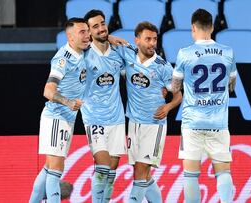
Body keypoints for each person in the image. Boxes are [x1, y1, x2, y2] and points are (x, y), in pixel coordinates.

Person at [171, 9, 237, 203]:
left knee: (191, 174)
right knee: (223, 171)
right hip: (218, 122)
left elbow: (175, 86)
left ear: (193, 27)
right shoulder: (228, 52)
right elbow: (232, 86)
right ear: (213, 27)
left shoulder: (185, 53)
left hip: (192, 123)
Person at [117, 22, 182, 202]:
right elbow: (107, 40)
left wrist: (168, 107)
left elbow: (178, 95)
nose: (152, 43)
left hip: (154, 125)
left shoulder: (164, 66)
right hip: (133, 123)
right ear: (137, 40)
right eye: (147, 39)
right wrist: (117, 40)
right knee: (143, 175)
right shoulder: (128, 53)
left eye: (154, 39)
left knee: (140, 171)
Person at [29, 17, 90, 203]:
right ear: (70, 37)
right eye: (83, 32)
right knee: (55, 170)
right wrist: (68, 102)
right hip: (56, 118)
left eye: (87, 31)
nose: (87, 35)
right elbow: (48, 91)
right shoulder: (63, 59)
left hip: (65, 119)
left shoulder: (83, 53)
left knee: (49, 167)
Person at [81, 10, 127, 203]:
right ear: (89, 32)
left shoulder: (118, 52)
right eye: (95, 26)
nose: (101, 28)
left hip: (116, 118)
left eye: (102, 23)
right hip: (94, 118)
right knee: (103, 167)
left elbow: (133, 75)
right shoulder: (83, 53)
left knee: (111, 172)